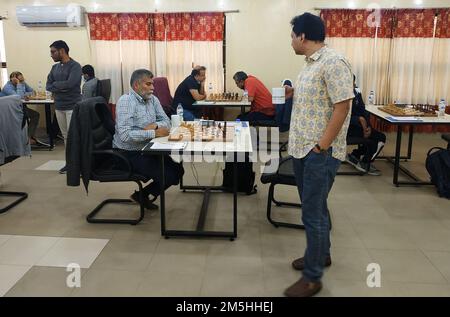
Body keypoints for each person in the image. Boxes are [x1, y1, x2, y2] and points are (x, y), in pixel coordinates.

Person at [284, 13, 354, 297]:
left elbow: (342, 107)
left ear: (302, 36)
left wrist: (322, 146)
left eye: (292, 36)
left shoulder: (334, 62)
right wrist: (293, 93)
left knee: (312, 213)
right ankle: (320, 254)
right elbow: (319, 101)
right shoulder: (310, 65)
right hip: (303, 148)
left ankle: (312, 277)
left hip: (319, 152)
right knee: (316, 206)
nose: (290, 41)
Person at [113, 69, 183, 209]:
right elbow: (125, 135)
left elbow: (167, 121)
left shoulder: (152, 99)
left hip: (148, 148)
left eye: (152, 84)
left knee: (178, 171)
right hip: (128, 153)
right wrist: (154, 133)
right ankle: (144, 195)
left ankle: (142, 195)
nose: (153, 87)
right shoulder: (126, 102)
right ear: (136, 85)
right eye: (148, 84)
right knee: (168, 175)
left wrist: (155, 125)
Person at [45, 40, 82, 174]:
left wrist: (57, 86)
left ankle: (78, 164)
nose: (51, 55)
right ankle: (69, 163)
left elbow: (71, 84)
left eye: (53, 52)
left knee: (74, 136)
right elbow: (48, 85)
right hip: (59, 106)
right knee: (66, 136)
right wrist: (61, 86)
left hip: (72, 106)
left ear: (62, 51)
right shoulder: (54, 68)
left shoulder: (75, 66)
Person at [346, 75, 386, 176]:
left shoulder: (356, 92)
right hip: (348, 129)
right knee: (381, 138)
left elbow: (363, 111)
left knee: (373, 135)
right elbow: (342, 117)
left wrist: (368, 127)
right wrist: (361, 121)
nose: (353, 84)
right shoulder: (341, 96)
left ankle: (355, 155)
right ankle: (365, 163)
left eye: (352, 82)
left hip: (360, 127)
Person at [0, 71, 48, 146]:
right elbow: (18, 97)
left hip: (19, 107)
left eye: (22, 80)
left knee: (35, 115)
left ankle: (28, 137)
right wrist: (19, 85)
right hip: (9, 110)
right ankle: (25, 138)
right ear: (13, 79)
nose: (22, 82)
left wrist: (25, 93)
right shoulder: (7, 87)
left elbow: (32, 92)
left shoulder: (22, 83)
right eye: (20, 80)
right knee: (29, 116)